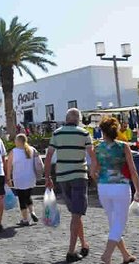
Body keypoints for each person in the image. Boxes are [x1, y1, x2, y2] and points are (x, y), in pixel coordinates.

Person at [44, 108, 97, 263]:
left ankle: (84, 244)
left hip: (62, 177)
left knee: (75, 213)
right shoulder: (84, 133)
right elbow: (92, 157)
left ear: (66, 118)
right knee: (76, 215)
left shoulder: (57, 133)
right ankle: (71, 251)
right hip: (79, 176)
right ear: (78, 119)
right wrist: (94, 173)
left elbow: (48, 157)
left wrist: (47, 177)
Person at [94, 117, 139, 264]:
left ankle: (125, 255)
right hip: (121, 187)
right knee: (119, 224)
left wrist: (100, 182)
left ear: (102, 131)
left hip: (103, 187)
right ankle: (107, 255)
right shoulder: (123, 146)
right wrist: (138, 190)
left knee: (114, 222)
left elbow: (93, 172)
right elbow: (133, 170)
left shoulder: (97, 148)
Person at [6, 133, 42, 226]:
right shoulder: (32, 149)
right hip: (31, 177)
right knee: (28, 196)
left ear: (18, 142)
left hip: (19, 178)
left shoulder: (13, 152)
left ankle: (25, 219)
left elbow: (9, 166)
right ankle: (32, 212)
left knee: (22, 198)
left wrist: (8, 178)